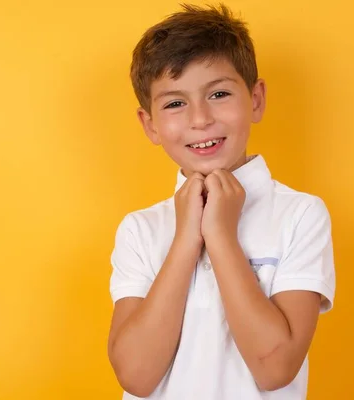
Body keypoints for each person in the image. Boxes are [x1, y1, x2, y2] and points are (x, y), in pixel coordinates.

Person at [107, 3, 335, 399]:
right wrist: (185, 240)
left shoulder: (300, 214)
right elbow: (136, 376)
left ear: (256, 99)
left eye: (219, 93)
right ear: (151, 125)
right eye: (175, 103)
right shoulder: (140, 229)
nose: (200, 119)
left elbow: (275, 368)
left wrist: (222, 236)